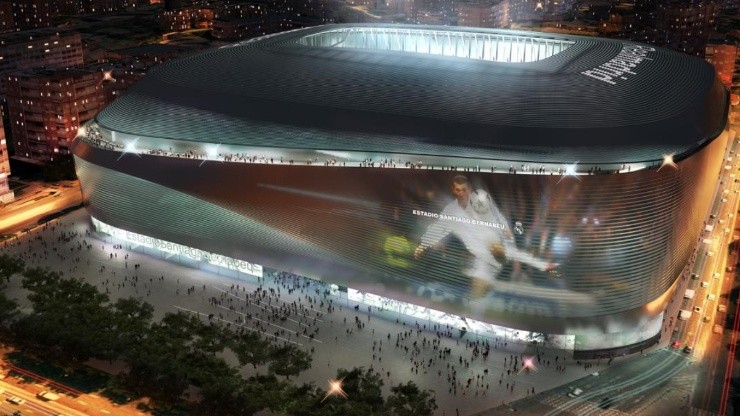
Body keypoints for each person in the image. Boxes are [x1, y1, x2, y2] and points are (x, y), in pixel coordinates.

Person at [414, 175, 556, 299]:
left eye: (464, 189)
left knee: (481, 284)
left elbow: (516, 250)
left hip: (487, 260)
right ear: (454, 190)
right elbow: (438, 228)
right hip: (474, 260)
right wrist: (423, 245)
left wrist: (543, 265)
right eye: (458, 190)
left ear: (469, 190)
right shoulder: (451, 211)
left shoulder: (483, 207)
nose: (462, 193)